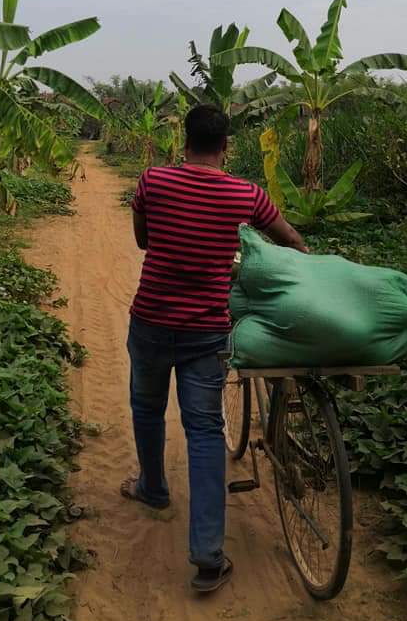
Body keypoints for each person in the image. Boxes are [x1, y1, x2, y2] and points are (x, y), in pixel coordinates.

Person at [121, 104, 307, 593]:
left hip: (151, 320)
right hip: (206, 331)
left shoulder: (152, 181)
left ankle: (153, 488)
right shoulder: (246, 194)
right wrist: (310, 267)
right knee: (204, 430)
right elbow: (288, 239)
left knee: (147, 407)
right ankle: (207, 556)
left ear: (184, 140)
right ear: (226, 146)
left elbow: (143, 241)